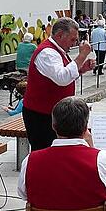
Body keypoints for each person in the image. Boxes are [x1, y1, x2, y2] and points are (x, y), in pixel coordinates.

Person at [19, 97, 106, 211]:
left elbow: (23, 194)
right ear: (86, 127)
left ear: (53, 126)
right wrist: (92, 148)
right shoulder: (101, 159)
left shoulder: (30, 160)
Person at [23, 18, 94, 151]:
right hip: (42, 115)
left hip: (52, 112)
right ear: (60, 35)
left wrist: (81, 69)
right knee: (45, 152)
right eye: (72, 39)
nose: (74, 44)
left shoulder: (57, 50)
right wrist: (82, 55)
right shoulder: (47, 53)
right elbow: (62, 78)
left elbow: (65, 74)